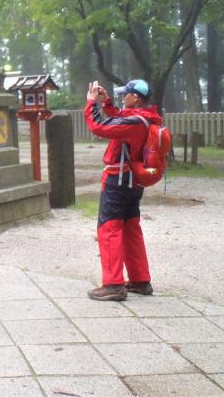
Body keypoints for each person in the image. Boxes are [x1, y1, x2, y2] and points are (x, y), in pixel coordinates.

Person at [84, 79, 161, 301]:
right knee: (130, 229)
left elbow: (99, 127)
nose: (122, 97)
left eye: (125, 94)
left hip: (117, 181)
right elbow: (119, 117)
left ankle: (113, 284)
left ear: (135, 97)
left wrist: (91, 104)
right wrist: (106, 101)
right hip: (132, 181)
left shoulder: (133, 123)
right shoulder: (143, 119)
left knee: (109, 229)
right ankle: (140, 280)